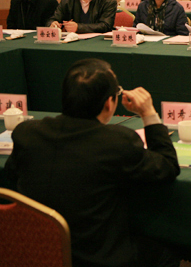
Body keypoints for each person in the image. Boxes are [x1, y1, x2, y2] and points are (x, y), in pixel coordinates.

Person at [4, 58, 181, 267]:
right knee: (166, 254)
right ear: (108, 103)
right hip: (96, 258)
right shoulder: (117, 141)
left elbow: (10, 178)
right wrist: (149, 114)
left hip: (32, 252)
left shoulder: (27, 133)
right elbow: (167, 167)